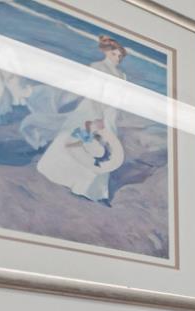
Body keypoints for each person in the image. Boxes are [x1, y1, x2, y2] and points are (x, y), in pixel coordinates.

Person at [33, 36, 129, 203]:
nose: (118, 58)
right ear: (107, 52)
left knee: (106, 148)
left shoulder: (122, 75)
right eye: (115, 54)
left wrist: (112, 115)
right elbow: (94, 93)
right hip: (94, 109)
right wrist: (98, 117)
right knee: (79, 141)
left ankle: (91, 188)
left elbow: (119, 98)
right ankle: (64, 176)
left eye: (120, 56)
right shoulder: (97, 67)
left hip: (110, 113)